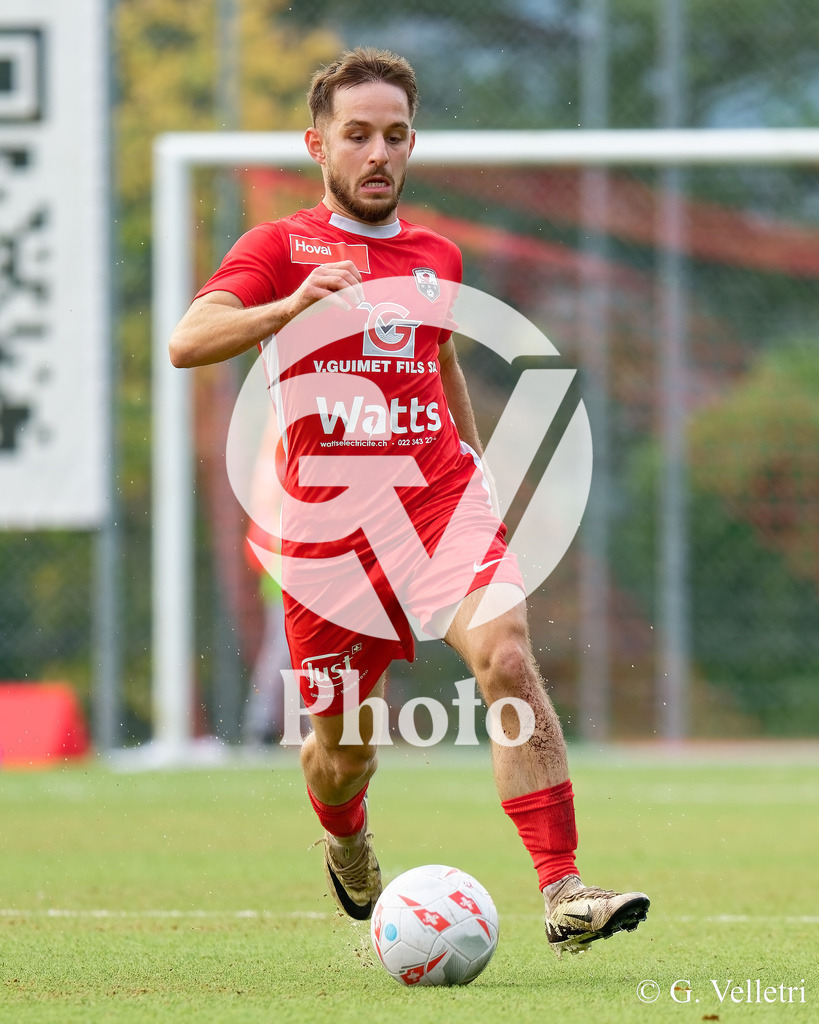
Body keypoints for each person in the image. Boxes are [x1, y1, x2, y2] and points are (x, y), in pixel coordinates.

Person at [169, 47, 649, 958]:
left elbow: (440, 359)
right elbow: (188, 341)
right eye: (356, 135)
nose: (377, 153)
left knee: (506, 658)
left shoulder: (436, 255)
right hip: (329, 539)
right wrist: (286, 308)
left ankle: (564, 889)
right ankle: (346, 838)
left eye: (394, 135)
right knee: (342, 753)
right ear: (317, 145)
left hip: (437, 504)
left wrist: (475, 467)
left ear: (411, 143)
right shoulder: (278, 248)